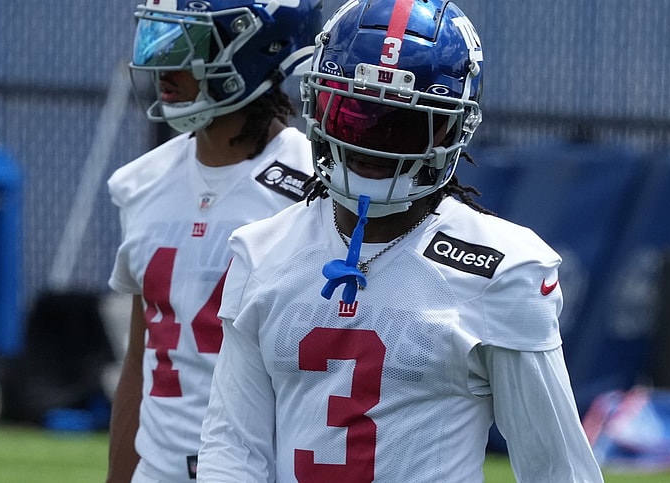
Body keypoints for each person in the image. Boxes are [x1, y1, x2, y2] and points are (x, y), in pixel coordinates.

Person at [197, 0, 605, 481]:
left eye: (403, 124)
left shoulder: (503, 268)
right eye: (354, 114)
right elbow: (233, 449)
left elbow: (556, 468)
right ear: (318, 106)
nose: (372, 141)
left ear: (452, 129)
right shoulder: (261, 250)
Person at [105, 1, 323, 482]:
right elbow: (140, 359)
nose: (163, 62)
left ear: (254, 49)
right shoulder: (141, 184)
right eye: (160, 37)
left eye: (190, 42)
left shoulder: (315, 189)